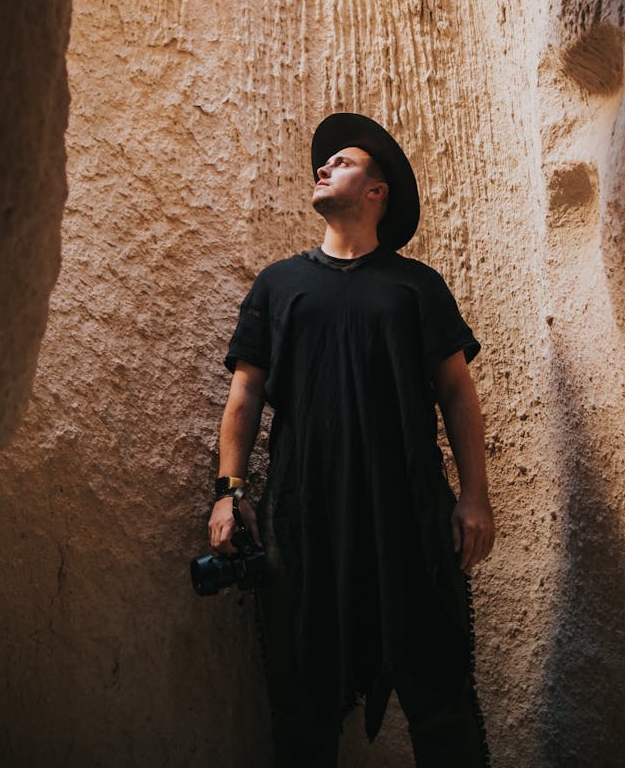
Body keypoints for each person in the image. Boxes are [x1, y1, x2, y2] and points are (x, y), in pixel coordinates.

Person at [208, 112, 495, 767]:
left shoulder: (416, 286)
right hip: (305, 521)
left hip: (413, 521)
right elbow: (245, 396)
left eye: (341, 160)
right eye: (323, 162)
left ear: (378, 190)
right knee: (303, 716)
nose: (322, 167)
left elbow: (457, 391)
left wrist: (475, 496)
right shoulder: (279, 285)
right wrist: (229, 493)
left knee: (445, 708)